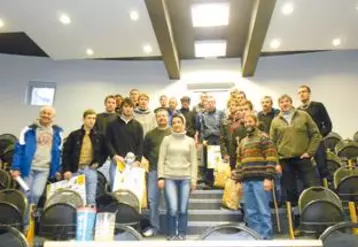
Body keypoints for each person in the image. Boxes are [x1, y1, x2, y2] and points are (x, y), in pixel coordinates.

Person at [10, 106, 63, 230]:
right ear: (40, 114)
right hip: (28, 169)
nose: (46, 115)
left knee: (37, 194)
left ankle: (28, 224)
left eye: (49, 114)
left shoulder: (58, 133)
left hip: (44, 169)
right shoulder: (28, 130)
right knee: (25, 195)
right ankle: (23, 226)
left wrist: (57, 169)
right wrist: (15, 167)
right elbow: (19, 150)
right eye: (44, 113)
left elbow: (58, 152)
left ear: (53, 117)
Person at [270, 94, 321, 206]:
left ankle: (313, 211)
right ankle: (293, 217)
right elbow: (272, 144)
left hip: (303, 157)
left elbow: (316, 134)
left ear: (291, 102)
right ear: (279, 105)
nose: (285, 103)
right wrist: (277, 162)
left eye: (287, 101)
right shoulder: (275, 121)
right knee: (290, 190)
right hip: (285, 160)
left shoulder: (304, 115)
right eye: (282, 102)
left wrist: (310, 152)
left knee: (311, 187)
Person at [233, 113, 277, 239]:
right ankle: (255, 238)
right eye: (246, 122)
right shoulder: (242, 142)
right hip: (247, 182)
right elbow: (239, 163)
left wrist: (268, 178)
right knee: (250, 212)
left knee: (263, 211)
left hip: (261, 181)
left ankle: (266, 238)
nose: (248, 124)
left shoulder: (264, 138)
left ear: (256, 122)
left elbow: (271, 159)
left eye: (250, 121)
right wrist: (238, 181)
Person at [157, 114, 198, 241]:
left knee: (183, 209)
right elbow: (161, 160)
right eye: (174, 122)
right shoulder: (166, 140)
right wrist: (160, 177)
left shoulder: (190, 141)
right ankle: (170, 233)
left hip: (185, 178)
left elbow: (193, 161)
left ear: (183, 124)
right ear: (171, 125)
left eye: (179, 122)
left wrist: (194, 179)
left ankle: (181, 233)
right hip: (169, 177)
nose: (176, 124)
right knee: (173, 208)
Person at [62, 109, 108, 206]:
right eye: (89, 118)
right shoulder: (74, 135)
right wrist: (66, 170)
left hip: (90, 170)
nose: (92, 120)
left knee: (91, 199)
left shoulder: (99, 136)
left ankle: (89, 220)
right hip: (75, 169)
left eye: (94, 118)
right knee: (74, 198)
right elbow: (66, 153)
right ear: (83, 119)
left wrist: (99, 163)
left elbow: (105, 152)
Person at [142, 109, 171, 237]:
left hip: (171, 171)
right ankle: (154, 226)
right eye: (159, 116)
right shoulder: (150, 134)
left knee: (168, 199)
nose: (162, 118)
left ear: (167, 117)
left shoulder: (173, 132)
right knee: (153, 199)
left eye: (164, 116)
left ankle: (168, 227)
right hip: (154, 170)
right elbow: (145, 152)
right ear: (156, 118)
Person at [106, 97, 144, 189]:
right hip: (116, 163)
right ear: (122, 108)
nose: (128, 109)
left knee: (132, 191)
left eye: (131, 107)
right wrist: (114, 156)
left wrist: (138, 161)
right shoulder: (112, 124)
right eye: (126, 106)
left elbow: (140, 145)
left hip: (133, 164)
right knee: (115, 190)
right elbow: (107, 142)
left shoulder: (138, 126)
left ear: (133, 108)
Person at [297, 85, 332, 181]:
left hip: (317, 142)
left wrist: (320, 136)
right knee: (306, 170)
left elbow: (328, 124)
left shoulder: (318, 106)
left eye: (304, 91)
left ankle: (325, 191)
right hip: (304, 145)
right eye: (299, 93)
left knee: (322, 167)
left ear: (309, 93)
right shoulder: (297, 111)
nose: (301, 94)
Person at [200, 96, 226, 188]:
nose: (210, 104)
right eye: (208, 102)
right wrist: (202, 139)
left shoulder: (221, 113)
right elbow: (202, 129)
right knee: (209, 162)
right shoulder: (203, 115)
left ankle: (221, 181)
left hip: (219, 138)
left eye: (212, 102)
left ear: (215, 103)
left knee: (220, 161)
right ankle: (209, 183)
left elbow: (224, 127)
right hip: (209, 139)